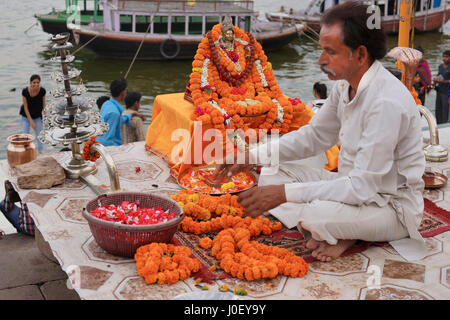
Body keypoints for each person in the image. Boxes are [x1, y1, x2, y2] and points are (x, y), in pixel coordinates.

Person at [213, 1, 426, 262]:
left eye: (330, 52)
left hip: (390, 206)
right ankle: (342, 227)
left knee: (315, 215)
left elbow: (361, 189)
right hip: (349, 187)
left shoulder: (385, 104)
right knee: (270, 173)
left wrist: (283, 194)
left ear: (359, 55)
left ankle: (348, 233)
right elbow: (314, 137)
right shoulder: (344, 86)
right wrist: (251, 155)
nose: (321, 60)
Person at [97, 79, 145, 146]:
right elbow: (107, 140)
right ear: (123, 92)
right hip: (109, 149)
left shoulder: (107, 104)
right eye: (126, 90)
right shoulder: (114, 113)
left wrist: (132, 114)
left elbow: (119, 120)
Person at [20, 74, 46, 153]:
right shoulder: (25, 91)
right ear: (30, 83)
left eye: (38, 82)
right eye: (34, 82)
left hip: (37, 116)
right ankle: (25, 152)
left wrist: (46, 118)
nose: (36, 84)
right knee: (25, 136)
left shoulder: (42, 91)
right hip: (26, 116)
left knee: (40, 136)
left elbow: (44, 106)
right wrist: (31, 121)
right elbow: (25, 108)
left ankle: (40, 153)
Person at [433, 50, 450, 124]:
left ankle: (444, 126)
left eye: (446, 57)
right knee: (438, 110)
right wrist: (435, 80)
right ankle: (438, 125)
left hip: (446, 93)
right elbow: (439, 76)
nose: (444, 58)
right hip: (439, 91)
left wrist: (441, 81)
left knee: (445, 111)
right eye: (443, 57)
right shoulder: (440, 66)